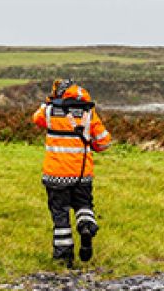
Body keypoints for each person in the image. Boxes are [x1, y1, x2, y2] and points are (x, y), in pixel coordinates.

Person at [32, 79, 112, 267]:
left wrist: (49, 100)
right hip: (82, 174)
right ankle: (85, 227)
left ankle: (63, 258)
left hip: (56, 175)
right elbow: (104, 142)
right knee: (84, 205)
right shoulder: (88, 111)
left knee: (60, 214)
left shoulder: (50, 111)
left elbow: (36, 118)